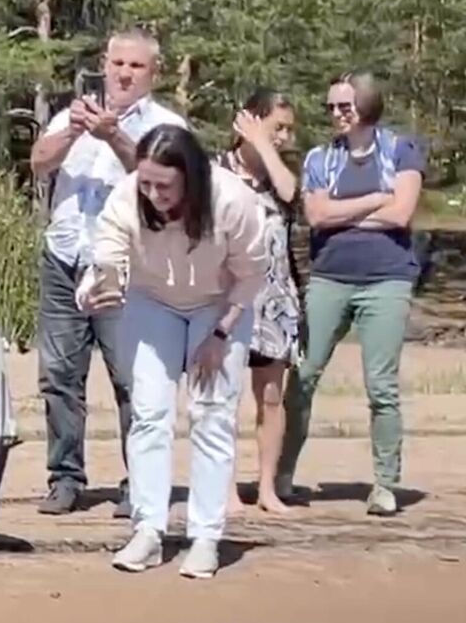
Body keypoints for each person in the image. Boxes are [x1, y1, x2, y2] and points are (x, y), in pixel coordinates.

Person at [81, 125, 264, 579]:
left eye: (164, 184)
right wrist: (99, 286)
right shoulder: (129, 197)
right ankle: (148, 529)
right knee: (148, 412)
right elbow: (106, 254)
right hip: (151, 300)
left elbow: (253, 274)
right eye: (146, 182)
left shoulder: (232, 201)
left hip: (219, 304)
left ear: (192, 177)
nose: (153, 192)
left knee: (211, 413)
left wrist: (220, 336)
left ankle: (206, 536)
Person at [28, 27, 188, 518]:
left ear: (153, 73)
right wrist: (76, 130)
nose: (123, 74)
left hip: (126, 267)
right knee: (58, 375)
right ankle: (65, 478)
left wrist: (114, 135)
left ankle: (137, 484)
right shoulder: (70, 116)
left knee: (133, 380)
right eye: (117, 64)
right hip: (64, 258)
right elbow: (38, 163)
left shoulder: (166, 125)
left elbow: (160, 182)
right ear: (104, 64)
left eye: (135, 66)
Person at [277, 71, 425, 517]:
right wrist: (374, 200)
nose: (336, 114)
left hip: (387, 279)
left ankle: (385, 483)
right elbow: (317, 215)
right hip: (329, 277)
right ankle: (282, 473)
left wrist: (349, 214)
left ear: (367, 104)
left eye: (345, 105)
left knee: (381, 386)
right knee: (302, 376)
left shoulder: (401, 149)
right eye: (331, 107)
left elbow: (401, 214)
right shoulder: (322, 158)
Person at [214, 90, 302, 515]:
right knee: (224, 396)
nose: (284, 137)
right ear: (247, 122)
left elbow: (289, 192)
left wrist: (266, 147)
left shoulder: (280, 172)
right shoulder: (215, 171)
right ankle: (225, 488)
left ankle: (267, 487)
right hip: (227, 298)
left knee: (270, 396)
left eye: (288, 130)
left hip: (275, 297)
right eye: (276, 128)